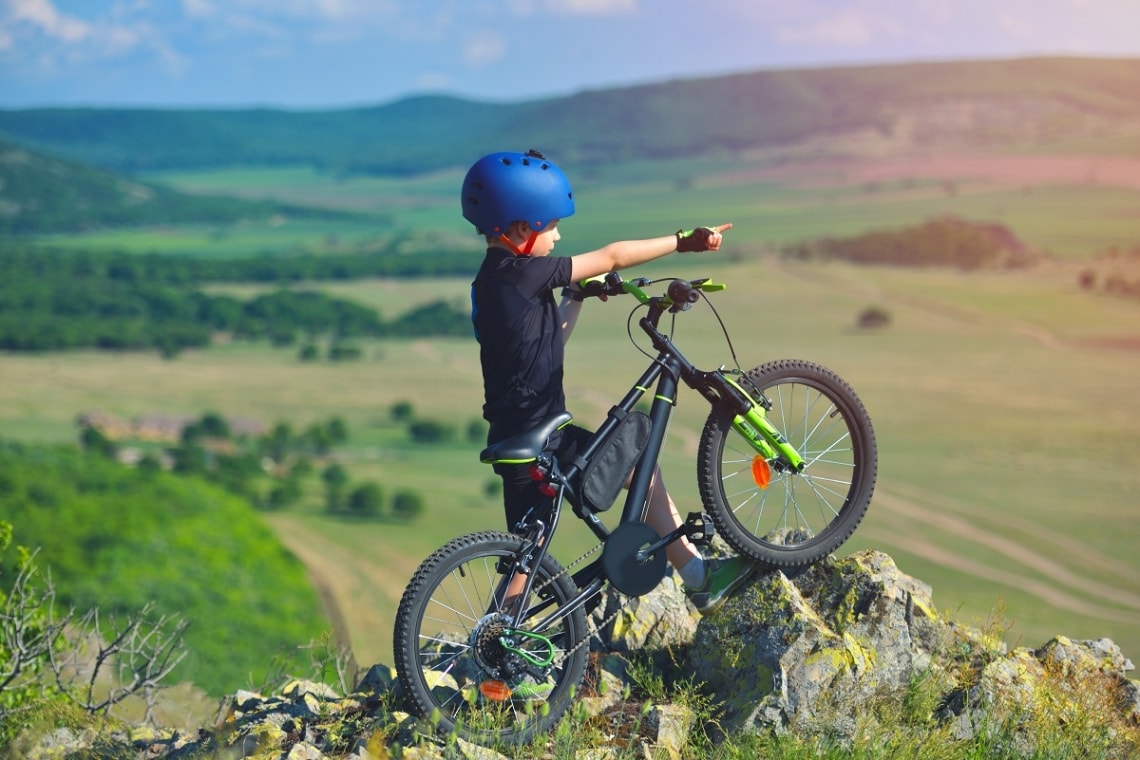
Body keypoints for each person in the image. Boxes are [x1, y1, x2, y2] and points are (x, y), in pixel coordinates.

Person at [464, 149, 755, 616]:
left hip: (513, 441)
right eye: (551, 226)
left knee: (526, 555)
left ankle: (494, 653)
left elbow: (546, 344)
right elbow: (613, 256)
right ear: (520, 231)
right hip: (544, 443)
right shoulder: (528, 272)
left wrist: (575, 296)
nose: (558, 236)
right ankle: (698, 576)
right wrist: (684, 241)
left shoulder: (490, 284)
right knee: (638, 452)